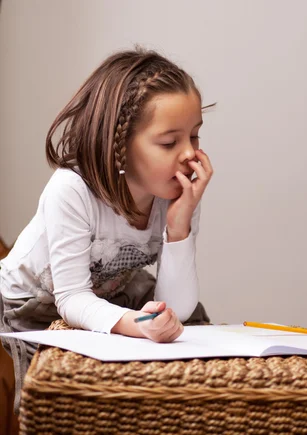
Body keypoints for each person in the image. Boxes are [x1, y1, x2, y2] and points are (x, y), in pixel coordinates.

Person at [0, 48, 212, 412]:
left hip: (108, 295)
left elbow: (178, 307)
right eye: (169, 142)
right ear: (119, 145)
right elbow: (71, 300)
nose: (189, 155)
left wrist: (179, 227)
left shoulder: (175, 194)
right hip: (31, 305)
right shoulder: (71, 190)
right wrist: (139, 324)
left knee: (187, 323)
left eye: (194, 136)